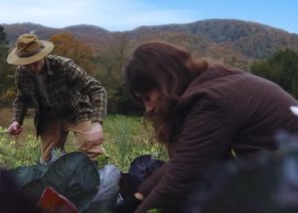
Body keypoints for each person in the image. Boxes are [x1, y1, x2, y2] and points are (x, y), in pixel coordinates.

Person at [120, 41, 298, 212]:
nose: (148, 108)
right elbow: (190, 159)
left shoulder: (211, 100)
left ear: (165, 82)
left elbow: (181, 179)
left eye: (147, 97)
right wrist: (139, 196)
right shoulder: (216, 83)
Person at [6, 33, 107, 163]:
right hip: (49, 115)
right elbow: (22, 98)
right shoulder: (21, 73)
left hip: (76, 111)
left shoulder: (63, 66)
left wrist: (97, 122)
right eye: (27, 64)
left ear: (43, 55)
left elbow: (97, 89)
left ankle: (104, 178)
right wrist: (16, 121)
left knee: (92, 149)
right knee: (48, 160)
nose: (31, 68)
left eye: (35, 63)